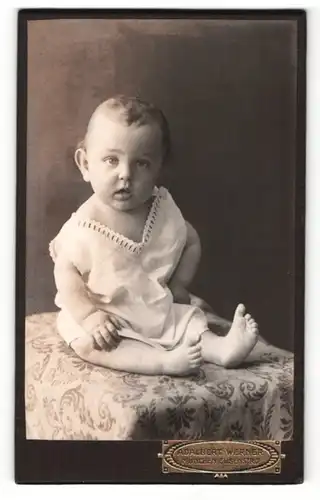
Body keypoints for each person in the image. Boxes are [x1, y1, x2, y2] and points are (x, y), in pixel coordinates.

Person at [49, 95, 258, 376]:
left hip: (151, 306)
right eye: (111, 160)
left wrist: (179, 286)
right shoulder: (85, 226)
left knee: (185, 321)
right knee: (92, 344)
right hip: (107, 315)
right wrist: (90, 316)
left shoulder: (162, 209)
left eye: (142, 164)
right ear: (85, 164)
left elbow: (191, 240)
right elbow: (66, 274)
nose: (125, 174)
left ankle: (220, 349)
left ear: (158, 167)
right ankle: (162, 363)